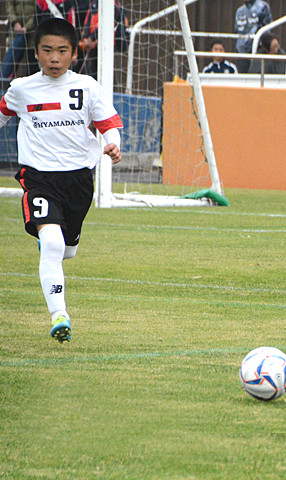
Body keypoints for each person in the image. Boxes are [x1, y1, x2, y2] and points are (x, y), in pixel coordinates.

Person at [0, 18, 123, 343]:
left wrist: (113, 143)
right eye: (47, 50)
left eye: (62, 51)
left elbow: (108, 122)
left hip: (79, 181)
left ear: (74, 53)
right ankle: (59, 316)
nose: (54, 58)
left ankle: (53, 238)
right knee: (53, 244)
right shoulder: (21, 90)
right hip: (38, 179)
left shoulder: (87, 86)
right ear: (37, 53)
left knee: (66, 250)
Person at [1, 0, 38, 79]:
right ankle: (3, 86)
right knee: (10, 62)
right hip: (15, 31)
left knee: (33, 65)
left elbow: (39, 10)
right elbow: (9, 5)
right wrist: (15, 22)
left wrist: (28, 26)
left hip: (33, 32)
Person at [234, 0, 273, 74]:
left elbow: (268, 29)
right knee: (243, 77)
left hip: (257, 50)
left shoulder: (262, 7)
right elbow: (237, 30)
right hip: (242, 50)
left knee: (255, 76)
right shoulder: (239, 11)